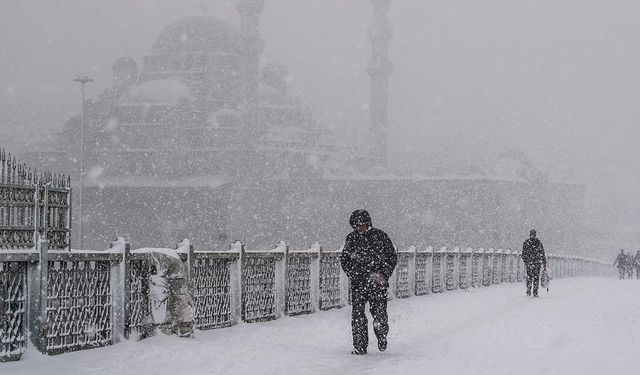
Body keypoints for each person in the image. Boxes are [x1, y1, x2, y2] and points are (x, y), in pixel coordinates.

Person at [340, 209, 397, 355]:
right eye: (355, 226)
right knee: (358, 315)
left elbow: (391, 257)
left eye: (361, 225)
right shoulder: (351, 239)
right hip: (358, 283)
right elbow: (345, 260)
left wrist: (384, 274)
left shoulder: (380, 236)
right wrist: (353, 274)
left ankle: (381, 335)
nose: (358, 228)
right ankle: (360, 346)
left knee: (379, 313)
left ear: (368, 223)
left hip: (378, 283)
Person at [521, 229, 547, 297]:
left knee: (529, 276)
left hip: (530, 263)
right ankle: (535, 292)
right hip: (536, 263)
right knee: (536, 277)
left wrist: (526, 261)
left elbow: (523, 253)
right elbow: (542, 253)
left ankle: (529, 289)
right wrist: (544, 263)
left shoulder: (526, 242)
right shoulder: (538, 243)